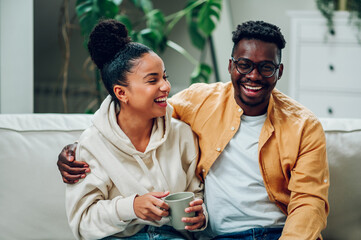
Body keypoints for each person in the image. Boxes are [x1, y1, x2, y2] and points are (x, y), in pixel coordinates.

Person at [58, 20, 329, 239]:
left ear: (279, 71)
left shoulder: (304, 126)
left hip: (279, 233)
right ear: (231, 66)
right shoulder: (200, 102)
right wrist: (75, 149)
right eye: (244, 65)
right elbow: (140, 113)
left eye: (266, 68)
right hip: (222, 236)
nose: (253, 76)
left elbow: (310, 204)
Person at [63, 19, 207, 240]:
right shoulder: (92, 144)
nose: (166, 86)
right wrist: (131, 207)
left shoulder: (182, 134)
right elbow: (83, 222)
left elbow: (196, 194)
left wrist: (200, 216)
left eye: (165, 77)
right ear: (121, 93)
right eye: (153, 80)